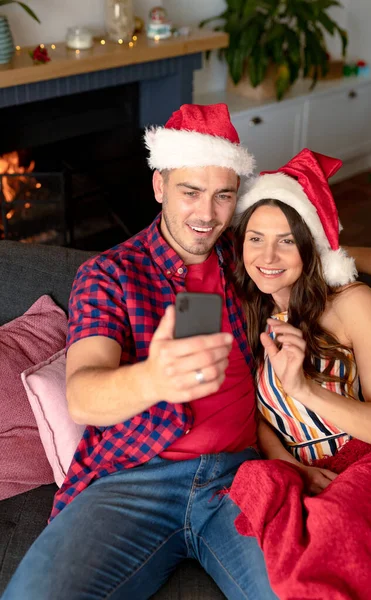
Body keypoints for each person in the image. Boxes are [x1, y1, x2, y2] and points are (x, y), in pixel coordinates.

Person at [2, 103, 280, 600]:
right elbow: (84, 394)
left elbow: (315, 250)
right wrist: (155, 378)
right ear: (159, 186)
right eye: (190, 192)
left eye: (223, 196)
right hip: (134, 479)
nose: (206, 214)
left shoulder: (249, 255)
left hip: (240, 478)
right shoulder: (109, 275)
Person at [233, 148, 371, 495]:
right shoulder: (245, 308)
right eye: (255, 239)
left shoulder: (349, 304)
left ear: (311, 247)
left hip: (363, 463)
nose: (268, 257)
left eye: (287, 241)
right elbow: (252, 412)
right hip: (291, 473)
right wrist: (290, 465)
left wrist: (303, 388)